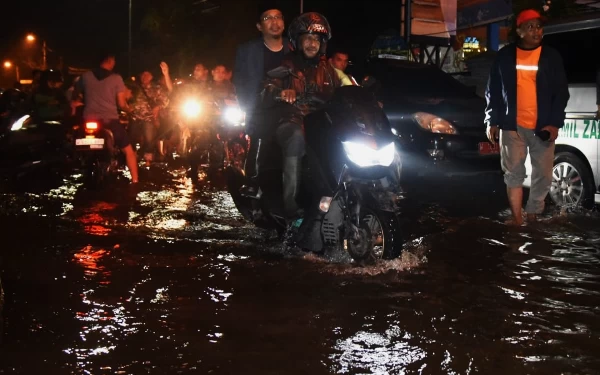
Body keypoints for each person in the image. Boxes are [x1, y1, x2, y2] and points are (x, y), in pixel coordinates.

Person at [485, 9, 569, 225]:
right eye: (530, 27)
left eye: (538, 26)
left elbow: (561, 93)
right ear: (519, 31)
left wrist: (554, 123)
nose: (536, 31)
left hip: (542, 127)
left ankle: (532, 215)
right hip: (512, 126)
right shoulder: (504, 57)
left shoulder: (551, 56)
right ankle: (517, 219)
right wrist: (492, 120)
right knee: (513, 174)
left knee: (544, 175)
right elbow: (492, 90)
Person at [261, 12, 341, 220]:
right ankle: (291, 206)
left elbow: (346, 90)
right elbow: (267, 88)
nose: (312, 43)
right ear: (298, 41)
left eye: (316, 39)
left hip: (321, 123)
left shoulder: (329, 70)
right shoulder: (287, 66)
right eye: (307, 38)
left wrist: (366, 98)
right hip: (291, 120)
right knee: (296, 138)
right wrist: (280, 93)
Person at [233, 3, 290, 183]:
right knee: (260, 146)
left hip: (292, 110)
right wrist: (247, 106)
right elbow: (239, 80)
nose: (274, 22)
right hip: (260, 110)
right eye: (268, 18)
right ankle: (252, 184)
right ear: (260, 26)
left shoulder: (295, 48)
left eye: (278, 17)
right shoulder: (247, 50)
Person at [73, 51, 139, 183]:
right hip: (109, 121)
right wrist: (129, 109)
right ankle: (135, 181)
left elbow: (75, 95)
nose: (114, 63)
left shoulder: (85, 76)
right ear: (109, 60)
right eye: (114, 60)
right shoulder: (116, 78)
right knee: (129, 151)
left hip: (88, 120)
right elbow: (121, 103)